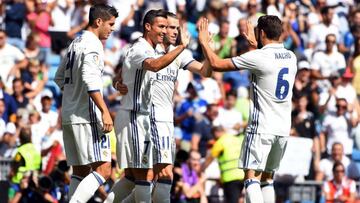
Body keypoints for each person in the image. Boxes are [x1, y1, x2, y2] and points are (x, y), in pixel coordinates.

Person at [198, 15, 297, 203]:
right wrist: (257, 45)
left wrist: (204, 43)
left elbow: (217, 64)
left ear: (261, 33)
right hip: (283, 128)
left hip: (262, 127)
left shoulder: (258, 57)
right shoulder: (291, 56)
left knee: (251, 177)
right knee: (267, 179)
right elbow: (269, 61)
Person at [110, 9, 190, 203]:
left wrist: (117, 83)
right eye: (161, 27)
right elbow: (153, 66)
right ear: (148, 27)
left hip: (143, 117)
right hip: (135, 115)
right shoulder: (141, 48)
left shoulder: (150, 49)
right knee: (145, 176)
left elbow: (121, 75)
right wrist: (182, 47)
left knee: (133, 177)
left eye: (168, 27)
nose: (164, 31)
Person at [54, 4, 118, 203]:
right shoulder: (93, 44)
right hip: (87, 116)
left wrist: (74, 94)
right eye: (110, 24)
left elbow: (58, 78)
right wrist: (105, 112)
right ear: (98, 21)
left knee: (80, 171)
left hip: (70, 114)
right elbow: (90, 81)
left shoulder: (76, 42)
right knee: (104, 170)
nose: (112, 29)